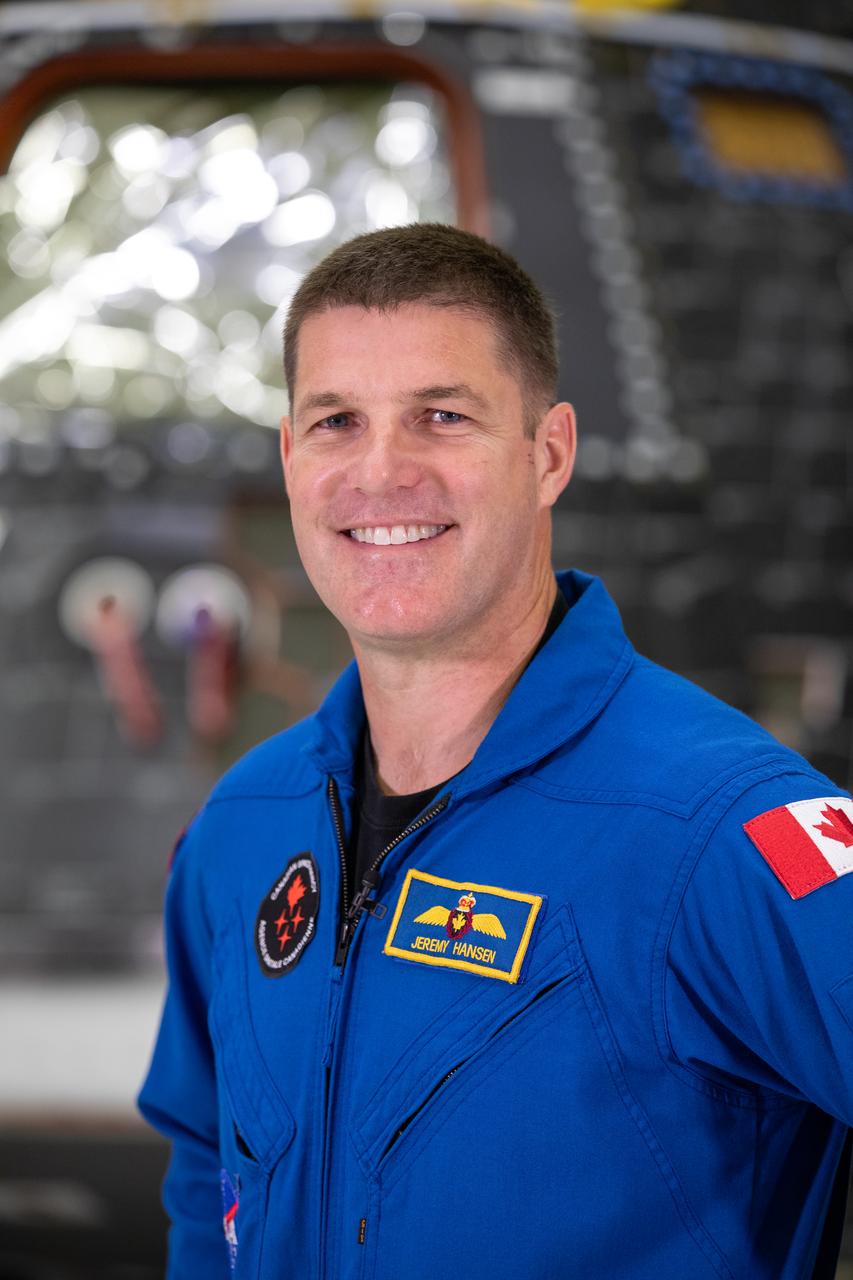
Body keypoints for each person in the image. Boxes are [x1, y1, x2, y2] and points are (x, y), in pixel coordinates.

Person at [139, 223, 853, 1280]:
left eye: (441, 415)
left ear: (548, 451)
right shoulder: (242, 827)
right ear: (291, 457)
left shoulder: (722, 829)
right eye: (337, 420)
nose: (382, 472)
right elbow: (207, 1174)